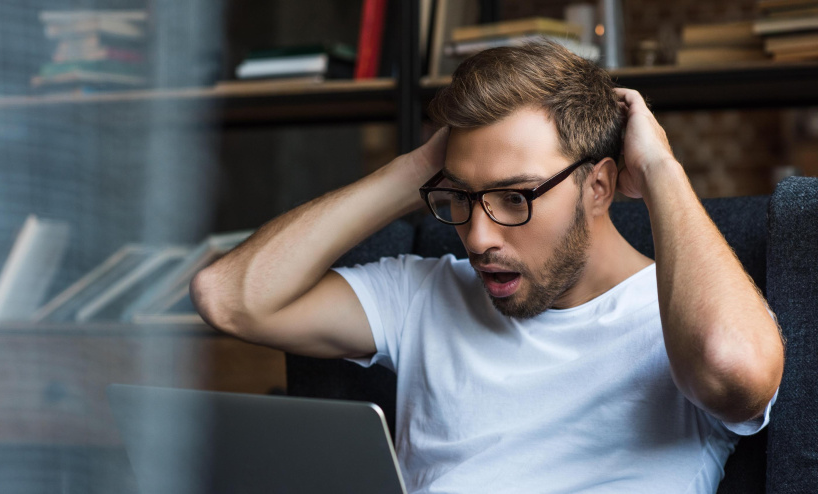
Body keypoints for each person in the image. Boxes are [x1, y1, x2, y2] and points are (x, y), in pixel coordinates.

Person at [190, 41, 784, 493]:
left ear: (598, 185)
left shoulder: (688, 312)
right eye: (461, 197)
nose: (476, 237)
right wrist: (415, 170)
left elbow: (733, 371)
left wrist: (660, 170)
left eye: (514, 197)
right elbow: (229, 297)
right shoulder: (421, 294)